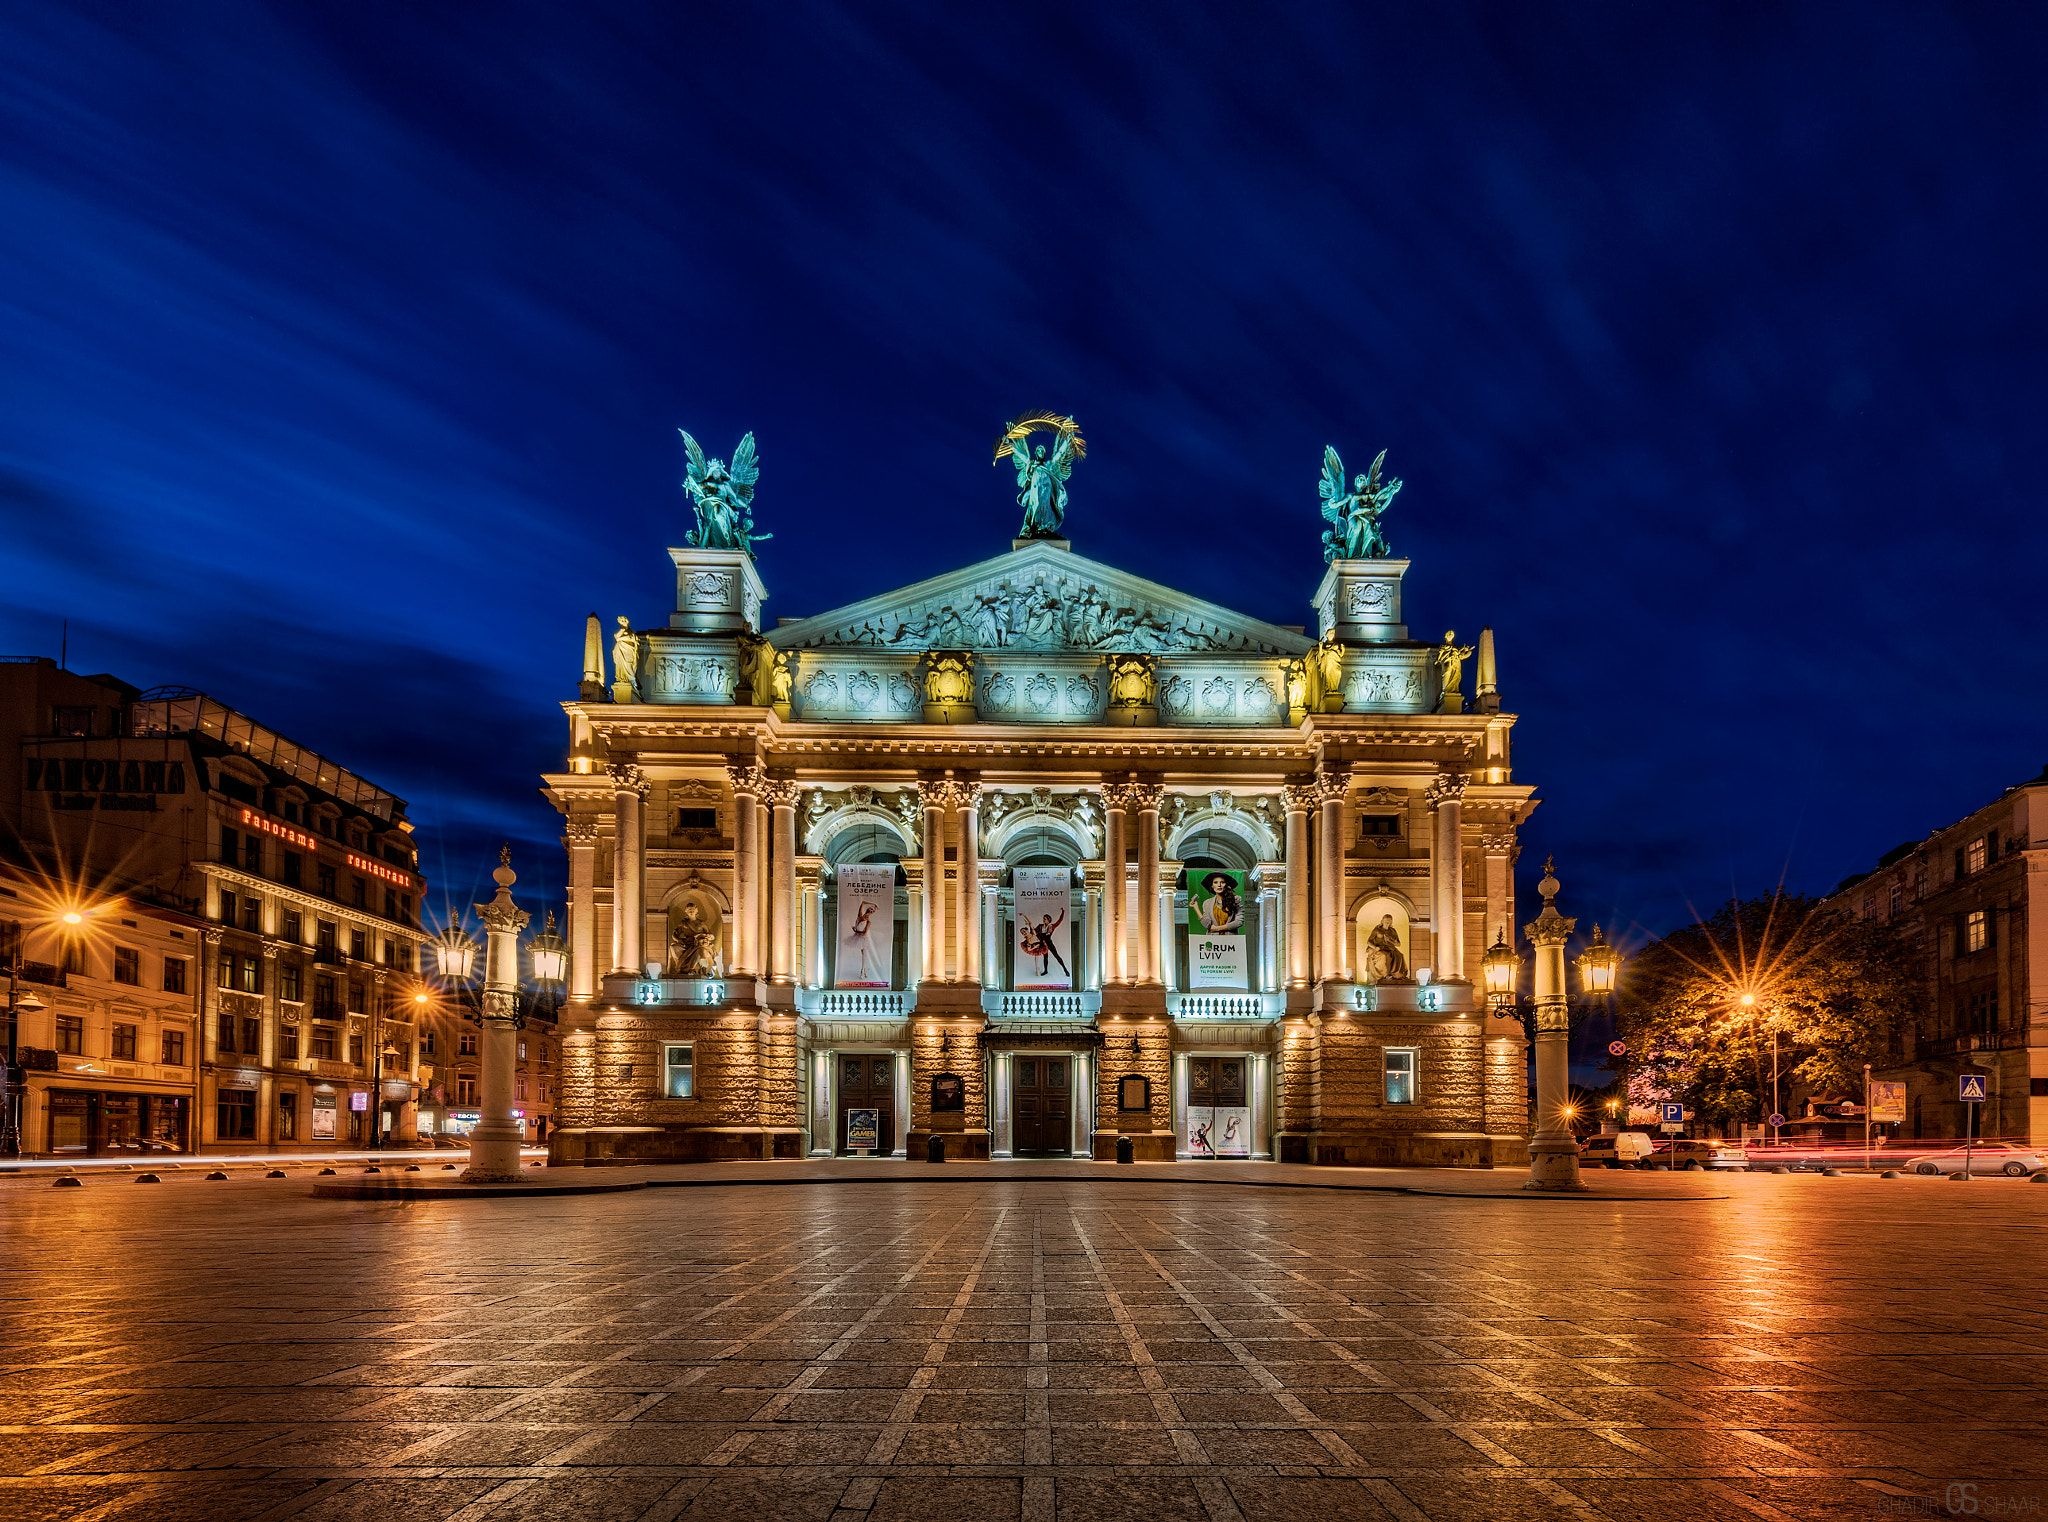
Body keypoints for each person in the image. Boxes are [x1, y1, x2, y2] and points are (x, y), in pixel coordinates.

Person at [845, 898, 883, 984]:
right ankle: (864, 971)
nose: (870, 911)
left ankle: (863, 971)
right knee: (863, 955)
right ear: (867, 909)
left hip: (863, 937)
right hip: (857, 936)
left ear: (872, 913)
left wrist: (855, 930)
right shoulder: (860, 915)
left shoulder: (868, 921)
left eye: (872, 911)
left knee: (864, 955)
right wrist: (873, 903)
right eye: (870, 909)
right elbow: (862, 902)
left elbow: (864, 932)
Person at [1365, 912, 1408, 983]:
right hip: (1379, 948)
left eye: (1389, 922)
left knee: (1400, 955)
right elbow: (1368, 942)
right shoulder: (1377, 930)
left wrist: (1391, 941)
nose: (1387, 923)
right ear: (1382, 921)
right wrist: (1375, 947)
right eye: (1386, 921)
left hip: (1390, 948)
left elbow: (1398, 944)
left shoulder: (1393, 931)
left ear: (1391, 922)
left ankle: (1398, 975)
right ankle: (1385, 975)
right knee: (1384, 956)